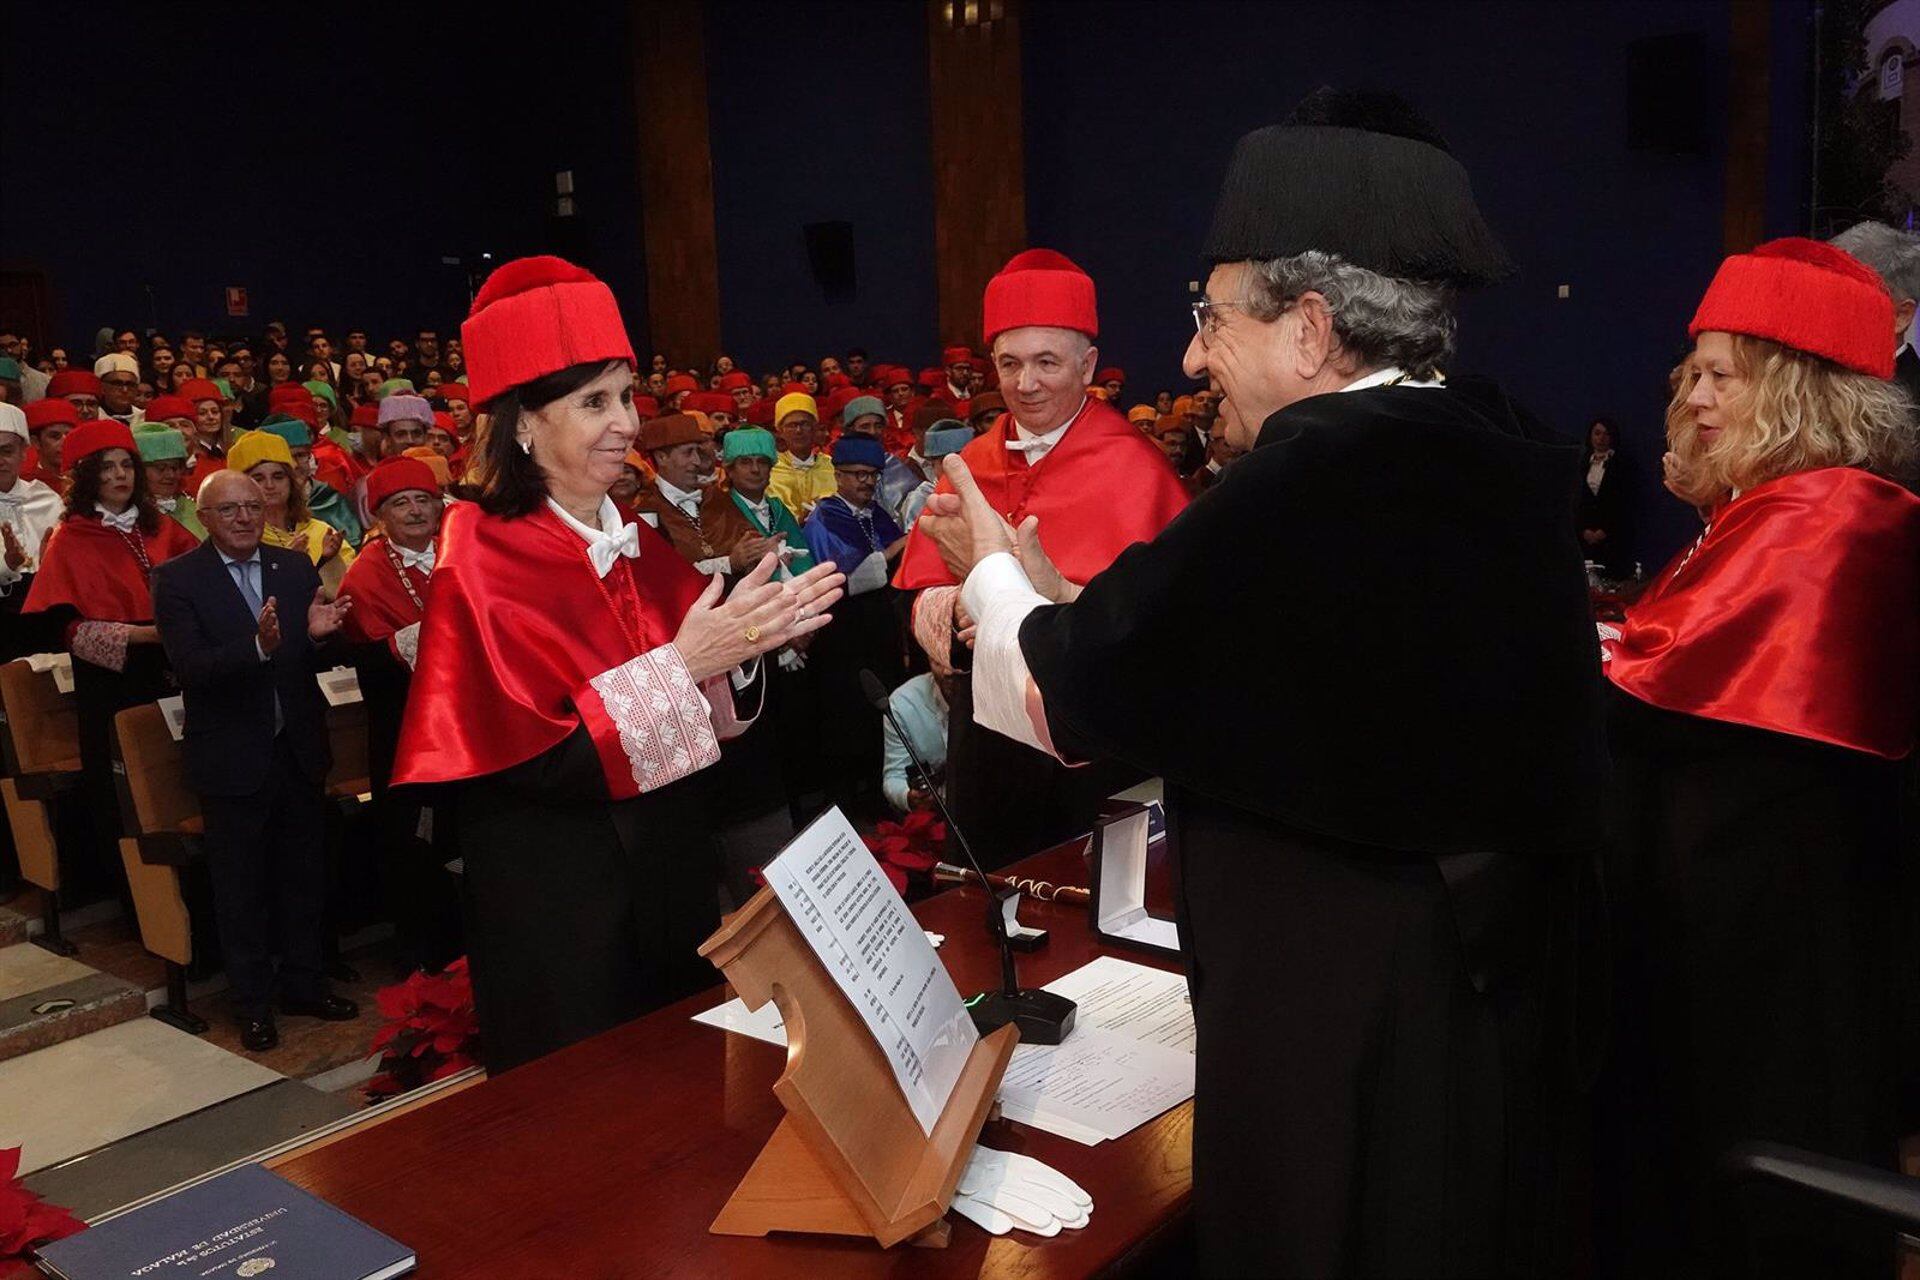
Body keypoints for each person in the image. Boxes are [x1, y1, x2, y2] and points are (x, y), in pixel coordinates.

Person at [921, 90, 1604, 1277]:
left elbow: (1079, 694)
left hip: (1331, 1016)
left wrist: (988, 573)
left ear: (1310, 327)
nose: (1191, 355)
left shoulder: (1306, 488)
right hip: (1473, 987)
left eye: (1211, 317)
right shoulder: (1487, 447)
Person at [390, 256, 844, 1072]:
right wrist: (686, 661)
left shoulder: (631, 537)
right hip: (564, 905)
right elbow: (538, 760)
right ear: (523, 424)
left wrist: (745, 647)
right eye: (593, 401)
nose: (628, 423)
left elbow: (703, 689)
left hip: (667, 879)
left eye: (627, 395)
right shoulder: (481, 557)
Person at [1597, 238, 1920, 1278]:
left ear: (1799, 389)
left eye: (1721, 373)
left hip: (1774, 955)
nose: (1692, 398)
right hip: (1749, 922)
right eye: (1691, 371)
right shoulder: (1777, 510)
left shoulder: (1829, 518)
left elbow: (1646, 691)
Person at [894, 247, 1189, 868]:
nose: (1025, 384)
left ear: (1088, 366)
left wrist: (1015, 599)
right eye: (1009, 364)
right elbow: (920, 591)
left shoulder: (1135, 467)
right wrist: (956, 612)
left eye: (1046, 363)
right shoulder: (968, 463)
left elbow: (1154, 624)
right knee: (990, 903)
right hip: (988, 740)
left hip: (1091, 740)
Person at [152, 469, 358, 1052]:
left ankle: (304, 985)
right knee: (241, 889)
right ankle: (252, 1005)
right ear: (205, 516)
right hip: (231, 756)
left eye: (252, 506)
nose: (244, 518)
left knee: (302, 878)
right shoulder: (177, 579)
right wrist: (257, 648)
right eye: (228, 510)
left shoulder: (292, 568)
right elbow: (190, 669)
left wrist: (316, 637)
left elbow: (308, 658)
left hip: (296, 748)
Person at [25, 419, 200, 897]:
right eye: (107, 468)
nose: (121, 475)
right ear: (87, 478)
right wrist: (146, 636)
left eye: (127, 465)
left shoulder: (162, 527)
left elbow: (202, 580)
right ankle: (136, 897)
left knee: (179, 780)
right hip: (114, 683)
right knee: (127, 790)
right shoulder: (70, 538)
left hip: (173, 671)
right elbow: (68, 630)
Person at [336, 456, 455, 973]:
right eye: (400, 503)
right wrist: (421, 637)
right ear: (380, 515)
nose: (414, 511)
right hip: (407, 729)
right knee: (416, 846)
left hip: (470, 721)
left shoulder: (460, 551)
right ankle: (427, 960)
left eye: (423, 499)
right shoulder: (365, 575)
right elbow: (370, 661)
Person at [803, 435, 908, 813]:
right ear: (838, 474)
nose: (866, 482)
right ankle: (844, 805)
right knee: (847, 716)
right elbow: (854, 575)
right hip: (842, 632)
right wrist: (900, 546)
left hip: (879, 627)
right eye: (858, 474)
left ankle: (879, 793)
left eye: (873, 475)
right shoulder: (826, 516)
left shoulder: (876, 512)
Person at [629, 412, 763, 574]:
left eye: (697, 452)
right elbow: (661, 574)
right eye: (688, 453)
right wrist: (728, 563)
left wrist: (765, 551)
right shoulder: (646, 512)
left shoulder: (716, 496)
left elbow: (748, 540)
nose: (697, 461)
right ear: (662, 457)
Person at [228, 429, 356, 598]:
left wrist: (328, 560)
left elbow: (350, 588)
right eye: (258, 478)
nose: (270, 485)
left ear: (291, 481)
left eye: (278, 476)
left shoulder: (320, 530)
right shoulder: (238, 539)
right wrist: (289, 565)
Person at [1828, 219, 1920, 408]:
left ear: (1900, 316)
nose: (1829, 313)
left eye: (1849, 301)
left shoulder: (1913, 403)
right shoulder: (1810, 378)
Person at [0, 403, 62, 657]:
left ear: (24, 452)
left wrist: (52, 562)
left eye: (6, 451)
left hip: (44, 617)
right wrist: (6, 566)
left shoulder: (46, 499)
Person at [880, 670, 949, 814]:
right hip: (940, 811)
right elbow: (894, 776)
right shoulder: (902, 702)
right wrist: (909, 796)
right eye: (938, 661)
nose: (947, 671)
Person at [767, 392, 837, 518]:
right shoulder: (771, 470)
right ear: (780, 431)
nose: (799, 431)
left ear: (815, 428)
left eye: (805, 424)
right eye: (792, 425)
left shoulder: (832, 467)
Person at [133, 420, 206, 539]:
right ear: (138, 470)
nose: (171, 475)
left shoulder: (192, 509)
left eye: (175, 467)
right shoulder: (127, 515)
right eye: (161, 468)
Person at [1577, 416, 1631, 575]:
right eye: (1597, 433)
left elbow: (1624, 501)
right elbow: (1574, 499)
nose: (1601, 438)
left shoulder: (1622, 464)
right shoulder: (1580, 462)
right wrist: (1583, 529)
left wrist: (1605, 530)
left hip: (1612, 535)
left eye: (1606, 434)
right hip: (1583, 535)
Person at [899, 423, 974, 529]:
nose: (956, 467)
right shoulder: (921, 498)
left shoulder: (981, 490)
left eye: (963, 459)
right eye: (946, 461)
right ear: (933, 465)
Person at [22, 398, 77, 484]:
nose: (65, 442)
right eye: (55, 436)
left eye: (70, 435)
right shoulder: (27, 484)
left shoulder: (86, 478)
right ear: (35, 442)